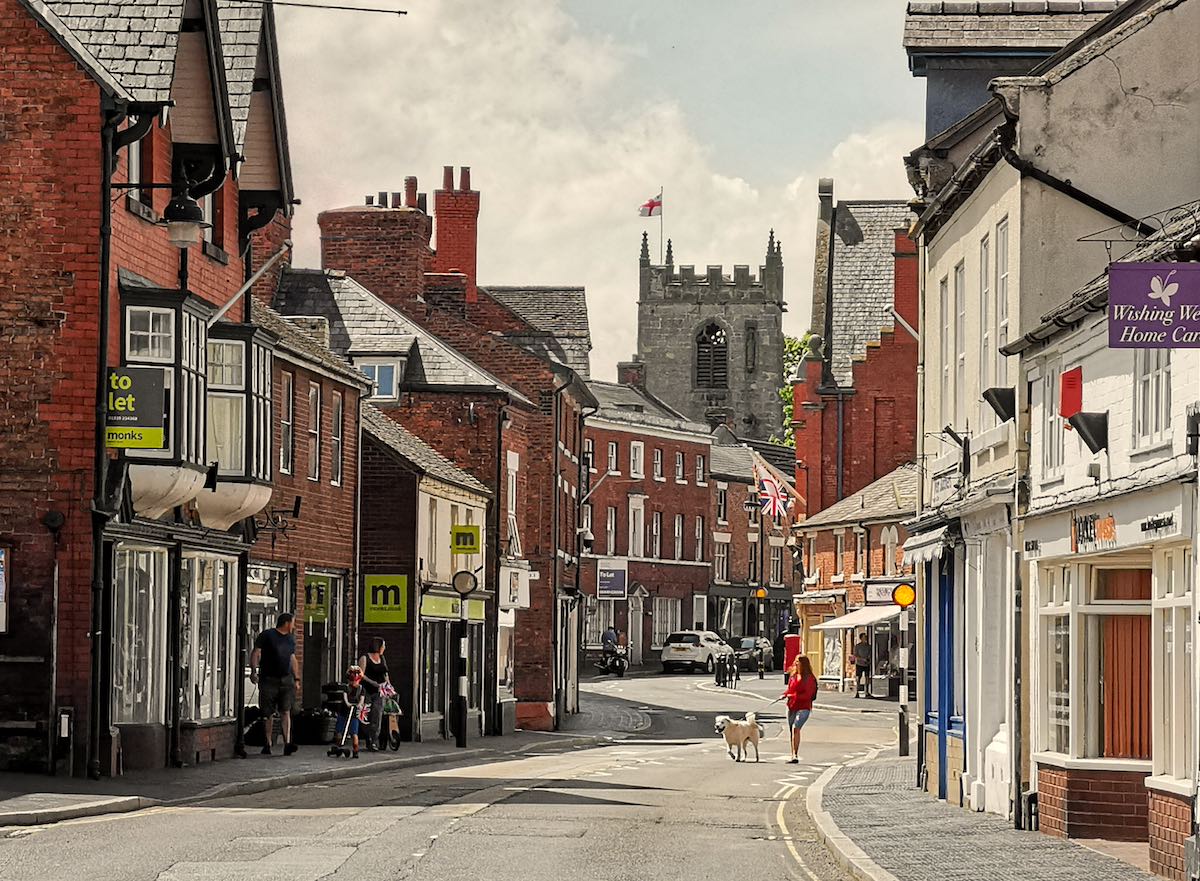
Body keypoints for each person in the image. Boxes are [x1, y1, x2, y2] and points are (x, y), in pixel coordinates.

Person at [249, 612, 300, 756]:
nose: (294, 626)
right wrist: (254, 671)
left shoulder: (290, 640)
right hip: (268, 679)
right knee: (267, 712)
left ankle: (287, 743)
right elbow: (256, 652)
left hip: (286, 679)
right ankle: (268, 743)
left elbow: (292, 659)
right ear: (287, 623)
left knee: (286, 710)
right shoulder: (267, 635)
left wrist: (296, 678)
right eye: (293, 623)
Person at [781, 655, 818, 763]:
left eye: (798, 662)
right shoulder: (793, 676)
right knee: (792, 731)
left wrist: (791, 696)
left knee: (796, 728)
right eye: (796, 661)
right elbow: (789, 690)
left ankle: (795, 755)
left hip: (804, 707)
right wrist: (784, 694)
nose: (796, 663)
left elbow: (808, 695)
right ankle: (793, 754)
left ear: (804, 664)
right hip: (791, 706)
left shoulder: (809, 678)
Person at [358, 637, 391, 751]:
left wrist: (388, 686)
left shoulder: (382, 658)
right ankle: (367, 737)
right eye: (383, 646)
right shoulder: (365, 658)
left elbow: (385, 674)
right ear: (378, 646)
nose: (384, 648)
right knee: (366, 715)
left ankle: (374, 740)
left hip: (379, 691)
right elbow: (360, 674)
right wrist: (372, 682)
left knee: (377, 715)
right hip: (366, 691)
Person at [331, 665, 366, 758]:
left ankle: (355, 749)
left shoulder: (361, 689)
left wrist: (359, 704)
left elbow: (362, 699)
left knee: (354, 733)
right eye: (352, 681)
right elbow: (345, 697)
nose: (353, 683)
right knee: (339, 731)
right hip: (344, 712)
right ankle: (339, 745)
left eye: (355, 681)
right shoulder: (346, 687)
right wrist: (347, 703)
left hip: (354, 714)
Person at [854, 632, 872, 698]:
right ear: (861, 638)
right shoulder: (858, 646)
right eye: (864, 637)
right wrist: (862, 659)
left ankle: (866, 692)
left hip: (867, 664)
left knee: (867, 678)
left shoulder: (868, 646)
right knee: (858, 678)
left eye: (865, 637)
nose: (865, 638)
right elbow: (855, 655)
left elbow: (870, 654)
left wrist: (868, 659)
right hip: (859, 664)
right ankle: (857, 692)